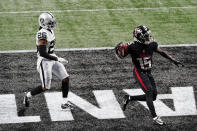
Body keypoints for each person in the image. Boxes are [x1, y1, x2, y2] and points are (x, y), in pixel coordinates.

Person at [115, 25, 184, 125]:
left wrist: (173, 60)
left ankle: (129, 98)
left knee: (154, 96)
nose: (148, 37)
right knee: (149, 91)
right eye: (145, 36)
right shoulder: (132, 46)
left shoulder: (151, 44)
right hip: (139, 72)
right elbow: (120, 52)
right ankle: (155, 117)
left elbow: (162, 52)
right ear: (139, 37)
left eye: (148, 35)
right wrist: (120, 49)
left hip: (148, 72)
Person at [23, 12, 73, 110]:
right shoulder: (42, 33)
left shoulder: (49, 30)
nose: (52, 24)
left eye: (52, 22)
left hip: (52, 57)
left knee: (65, 78)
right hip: (44, 61)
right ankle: (28, 95)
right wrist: (57, 59)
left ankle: (64, 102)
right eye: (50, 22)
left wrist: (55, 58)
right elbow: (42, 53)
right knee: (45, 87)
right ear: (43, 23)